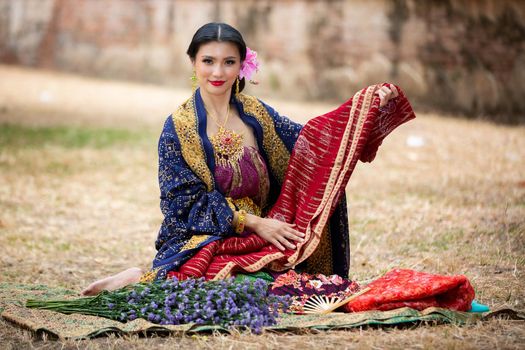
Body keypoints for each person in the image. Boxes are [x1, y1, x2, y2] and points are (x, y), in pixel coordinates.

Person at [81, 22, 401, 296]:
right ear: (193, 62)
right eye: (208, 61)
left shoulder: (256, 114)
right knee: (220, 288)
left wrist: (365, 107)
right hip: (206, 238)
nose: (218, 72)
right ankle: (137, 278)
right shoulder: (178, 129)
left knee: (295, 286)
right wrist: (254, 223)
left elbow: (311, 144)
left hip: (265, 235)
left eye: (228, 62)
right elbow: (182, 204)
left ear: (241, 65)